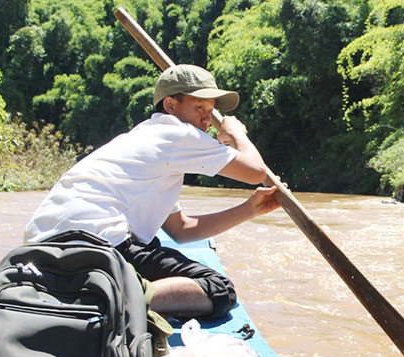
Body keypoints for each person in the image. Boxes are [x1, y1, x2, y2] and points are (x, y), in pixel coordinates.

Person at [25, 64, 282, 319]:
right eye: (199, 108)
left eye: (211, 110)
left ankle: (104, 292)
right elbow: (255, 172)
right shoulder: (178, 134)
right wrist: (237, 133)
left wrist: (249, 209)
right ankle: (110, 302)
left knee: (153, 245)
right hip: (98, 245)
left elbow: (181, 229)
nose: (206, 119)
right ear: (170, 106)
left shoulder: (144, 140)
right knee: (219, 290)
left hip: (41, 245)